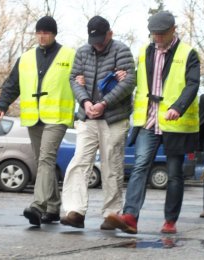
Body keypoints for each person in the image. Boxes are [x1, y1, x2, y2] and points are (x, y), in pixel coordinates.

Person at [107, 11, 200, 234]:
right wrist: (124, 77)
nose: (156, 38)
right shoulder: (144, 51)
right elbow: (140, 79)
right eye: (153, 34)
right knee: (139, 166)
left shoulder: (188, 54)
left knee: (175, 174)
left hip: (175, 124)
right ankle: (130, 217)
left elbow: (193, 84)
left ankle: (170, 221)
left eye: (161, 34)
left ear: (172, 30)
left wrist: (178, 107)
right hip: (148, 121)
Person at [0, 16, 75, 226]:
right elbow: (12, 84)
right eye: (38, 32)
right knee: (42, 162)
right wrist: (1, 105)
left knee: (46, 159)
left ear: (54, 34)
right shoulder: (26, 58)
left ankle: (38, 206)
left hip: (57, 117)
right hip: (34, 118)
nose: (41, 36)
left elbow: (81, 81)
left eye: (46, 32)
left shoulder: (70, 55)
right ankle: (54, 207)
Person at [60, 15, 136, 229]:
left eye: (102, 40)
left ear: (110, 34)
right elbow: (74, 78)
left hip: (113, 118)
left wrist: (103, 103)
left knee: (111, 164)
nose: (98, 45)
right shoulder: (83, 51)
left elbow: (129, 82)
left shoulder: (121, 50)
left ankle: (111, 214)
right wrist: (84, 102)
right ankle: (75, 211)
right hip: (87, 117)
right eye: (94, 40)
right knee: (79, 162)